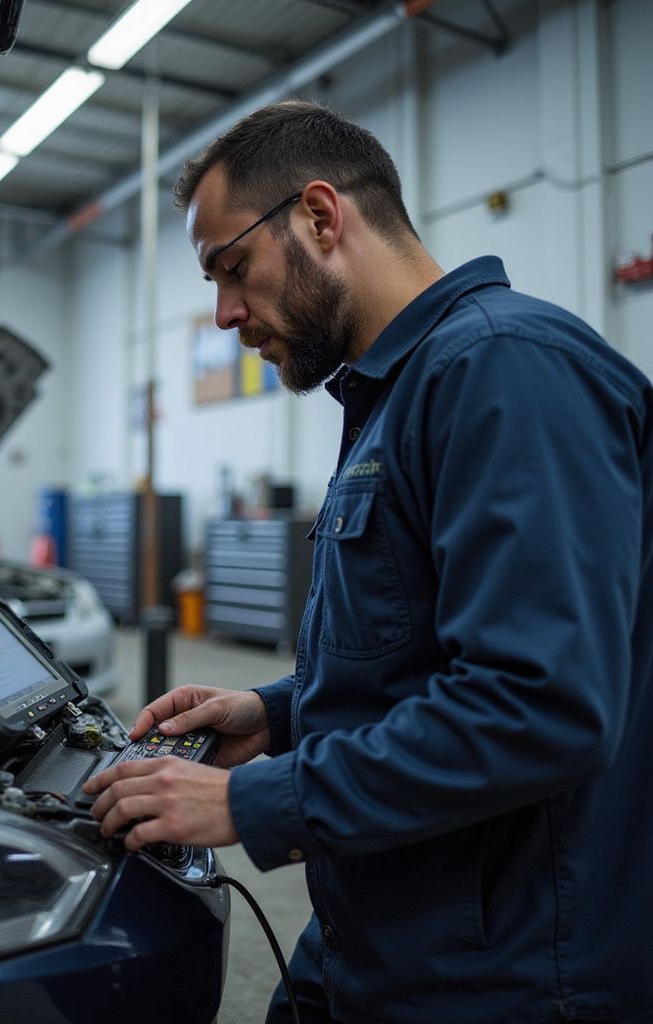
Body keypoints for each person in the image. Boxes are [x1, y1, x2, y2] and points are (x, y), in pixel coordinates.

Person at [82, 101, 653, 1024]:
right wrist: (276, 712)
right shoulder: (402, 393)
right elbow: (419, 654)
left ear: (319, 216)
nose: (224, 313)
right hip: (381, 935)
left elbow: (539, 705)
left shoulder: (505, 370)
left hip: (507, 977)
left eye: (232, 268)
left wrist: (251, 801)